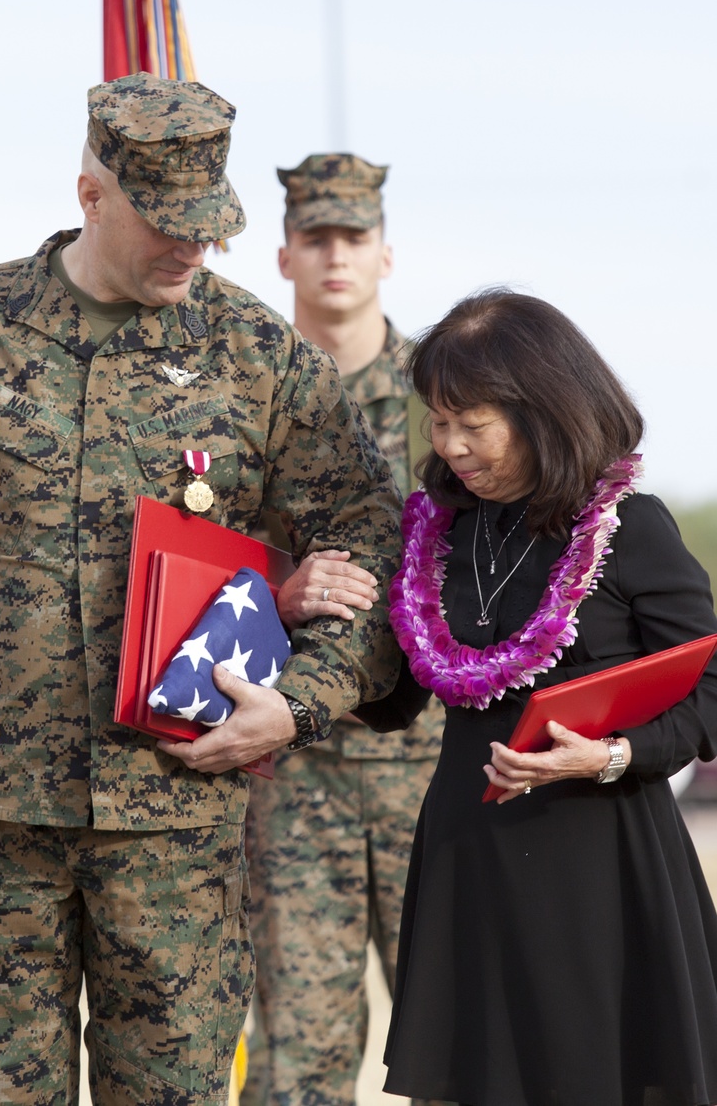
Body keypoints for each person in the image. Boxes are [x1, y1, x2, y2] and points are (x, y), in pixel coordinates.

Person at [0, 73, 404, 1106]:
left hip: (180, 814)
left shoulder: (259, 354)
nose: (193, 249)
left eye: (209, 226)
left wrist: (299, 707)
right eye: (166, 224)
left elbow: (374, 545)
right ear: (90, 194)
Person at [379, 288, 717, 1106]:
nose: (451, 445)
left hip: (597, 865)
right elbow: (395, 696)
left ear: (542, 412)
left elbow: (710, 687)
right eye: (438, 421)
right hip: (469, 855)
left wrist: (612, 756)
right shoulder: (438, 532)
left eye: (474, 423)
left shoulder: (628, 527)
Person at [243, 154, 445, 1106]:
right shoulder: (243, 392)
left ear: (386, 253)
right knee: (298, 1054)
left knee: (459, 1032)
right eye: (316, 237)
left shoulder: (446, 394)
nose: (335, 256)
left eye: (353, 237)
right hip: (294, 771)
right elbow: (187, 553)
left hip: (435, 763)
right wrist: (276, 586)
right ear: (284, 253)